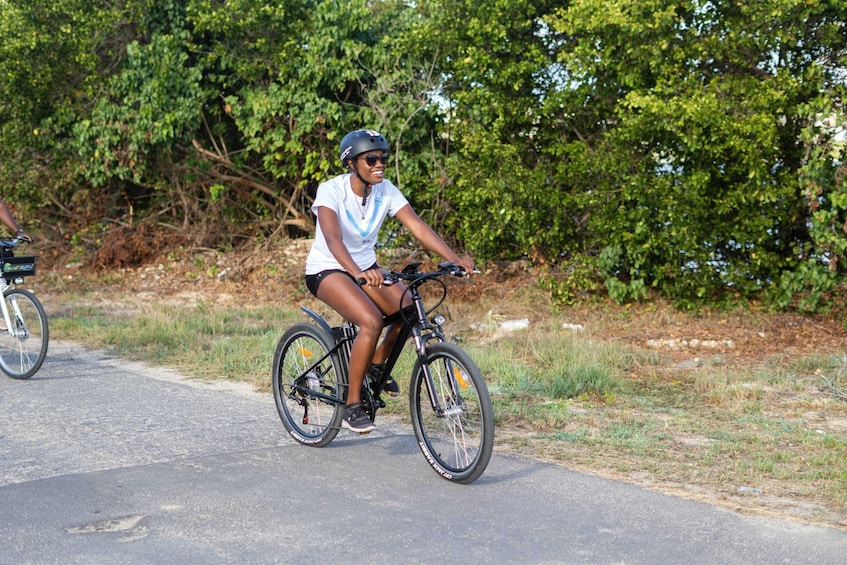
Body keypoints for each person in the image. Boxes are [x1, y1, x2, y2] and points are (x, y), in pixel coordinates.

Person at [304, 129, 474, 433]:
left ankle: (375, 363)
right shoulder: (332, 190)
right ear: (352, 163)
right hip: (327, 269)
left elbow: (417, 226)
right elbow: (332, 238)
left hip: (366, 268)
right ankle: (352, 404)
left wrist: (454, 258)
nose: (379, 164)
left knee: (408, 310)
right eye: (371, 159)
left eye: (383, 158)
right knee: (370, 321)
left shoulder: (386, 191)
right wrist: (356, 271)